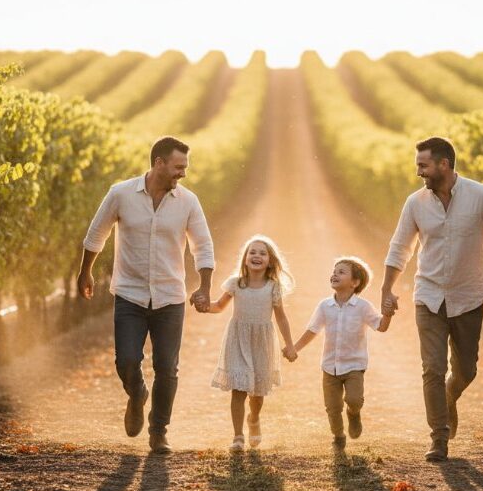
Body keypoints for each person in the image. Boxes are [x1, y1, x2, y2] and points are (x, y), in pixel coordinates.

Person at [381, 136, 483, 462]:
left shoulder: (481, 196)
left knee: (466, 370)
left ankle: (452, 392)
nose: (419, 172)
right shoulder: (415, 203)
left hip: (468, 297)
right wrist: (386, 288)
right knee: (431, 368)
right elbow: (399, 248)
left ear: (444, 164)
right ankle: (439, 438)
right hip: (429, 297)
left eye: (424, 165)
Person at [77, 136, 214, 454]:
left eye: (186, 168)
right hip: (130, 294)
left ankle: (158, 432)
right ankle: (137, 394)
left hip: (170, 297)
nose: (183, 174)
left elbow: (203, 245)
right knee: (126, 361)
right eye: (179, 167)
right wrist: (85, 272)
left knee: (167, 367)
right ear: (159, 163)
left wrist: (204, 286)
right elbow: (97, 232)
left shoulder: (188, 202)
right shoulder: (121, 193)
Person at [207, 235, 297, 451]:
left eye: (262, 253)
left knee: (256, 392)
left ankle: (254, 418)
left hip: (261, 342)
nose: (257, 256)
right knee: (238, 388)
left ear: (270, 261)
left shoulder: (272, 287)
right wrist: (203, 305)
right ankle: (237, 436)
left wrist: (290, 345)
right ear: (245, 259)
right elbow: (219, 306)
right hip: (238, 339)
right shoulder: (236, 284)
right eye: (252, 252)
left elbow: (281, 317)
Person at [293, 257, 392, 449]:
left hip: (355, 366)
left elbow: (381, 326)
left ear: (355, 283)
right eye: (334, 271)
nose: (334, 274)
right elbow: (312, 330)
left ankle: (354, 414)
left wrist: (388, 313)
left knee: (354, 400)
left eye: (341, 272)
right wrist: (295, 348)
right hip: (330, 367)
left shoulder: (363, 307)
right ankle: (338, 435)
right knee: (332, 408)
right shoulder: (324, 306)